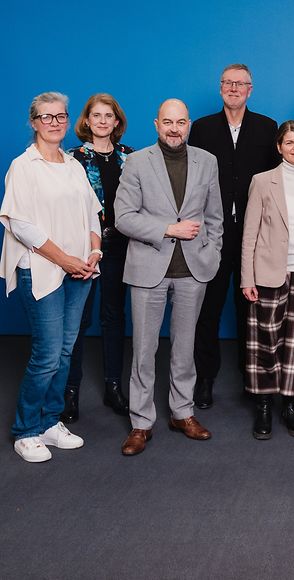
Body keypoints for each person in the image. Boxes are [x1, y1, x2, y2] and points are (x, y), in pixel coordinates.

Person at [114, 99, 223, 456]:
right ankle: (141, 422)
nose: (174, 129)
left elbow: (215, 216)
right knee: (144, 350)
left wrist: (212, 252)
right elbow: (123, 217)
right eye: (167, 122)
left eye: (181, 122)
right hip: (149, 268)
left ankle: (182, 413)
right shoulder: (136, 161)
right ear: (156, 124)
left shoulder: (207, 161)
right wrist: (167, 228)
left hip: (193, 270)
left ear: (188, 124)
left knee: (185, 348)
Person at [0, 92, 102, 462]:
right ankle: (25, 430)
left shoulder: (73, 165)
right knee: (46, 354)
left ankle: (49, 422)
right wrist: (65, 260)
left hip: (80, 270)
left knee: (65, 350)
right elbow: (21, 225)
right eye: (46, 117)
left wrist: (94, 252)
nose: (54, 123)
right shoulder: (23, 166)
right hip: (42, 269)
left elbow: (92, 213)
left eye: (60, 116)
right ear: (34, 122)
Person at [189, 64, 279, 409]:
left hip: (253, 235)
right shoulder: (202, 128)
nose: (234, 88)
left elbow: (275, 180)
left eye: (240, 83)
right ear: (220, 88)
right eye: (228, 83)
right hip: (212, 233)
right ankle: (205, 378)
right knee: (208, 309)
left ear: (250, 90)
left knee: (250, 310)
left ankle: (250, 378)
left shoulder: (267, 127)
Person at [241, 120, 294, 440]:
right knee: (267, 342)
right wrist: (247, 278)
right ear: (279, 147)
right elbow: (249, 234)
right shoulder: (263, 182)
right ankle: (264, 405)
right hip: (268, 274)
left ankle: (289, 405)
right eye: (289, 142)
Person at [63, 93, 135, 423]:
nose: (103, 121)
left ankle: (113, 386)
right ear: (87, 121)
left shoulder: (130, 157)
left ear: (117, 121)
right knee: (78, 319)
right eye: (97, 115)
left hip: (120, 246)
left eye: (109, 116)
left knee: (114, 316)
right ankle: (70, 391)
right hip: (83, 248)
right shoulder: (72, 159)